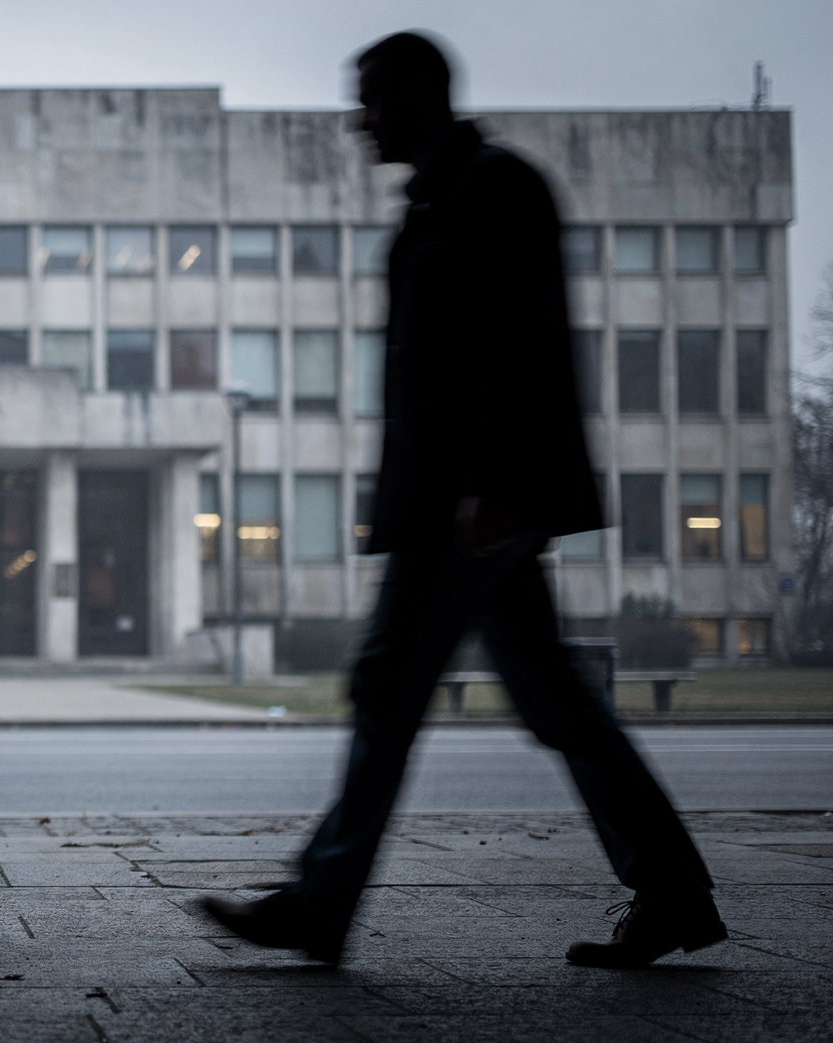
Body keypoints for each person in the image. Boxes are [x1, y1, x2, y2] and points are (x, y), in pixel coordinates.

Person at [203, 31, 724, 969]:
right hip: (456, 506)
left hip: (471, 509)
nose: (358, 120)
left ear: (417, 93)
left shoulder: (495, 191)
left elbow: (523, 355)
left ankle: (322, 904)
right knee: (557, 705)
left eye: (370, 98)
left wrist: (499, 490)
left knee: (389, 690)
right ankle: (674, 891)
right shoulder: (441, 200)